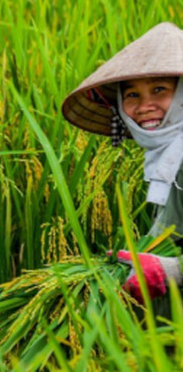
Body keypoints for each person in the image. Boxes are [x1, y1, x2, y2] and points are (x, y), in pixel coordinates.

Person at [62, 22, 183, 304]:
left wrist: (171, 270)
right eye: (131, 95)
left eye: (159, 90)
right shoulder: (166, 159)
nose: (144, 106)